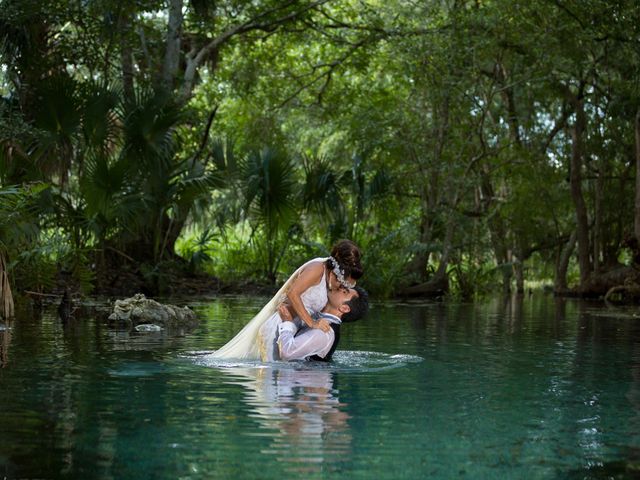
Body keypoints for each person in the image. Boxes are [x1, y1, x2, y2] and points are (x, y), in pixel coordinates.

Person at [211, 240, 363, 361]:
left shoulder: (333, 280)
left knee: (279, 384)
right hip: (279, 326)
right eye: (345, 280)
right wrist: (311, 323)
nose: (345, 285)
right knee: (270, 383)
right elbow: (292, 293)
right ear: (340, 269)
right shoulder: (317, 269)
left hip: (291, 327)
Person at [276, 285, 369, 362]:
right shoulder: (316, 319)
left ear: (344, 308)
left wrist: (287, 322)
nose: (340, 288)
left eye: (345, 292)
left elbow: (287, 353)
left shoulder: (324, 331)